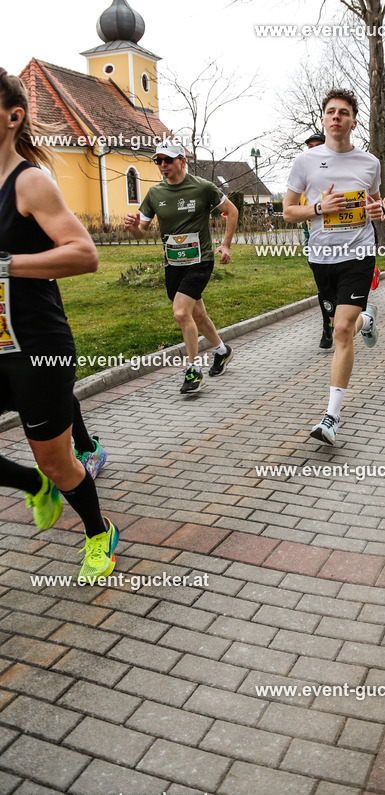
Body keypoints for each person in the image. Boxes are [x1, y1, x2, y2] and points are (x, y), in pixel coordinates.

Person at [0, 67, 117, 581]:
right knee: (43, 471)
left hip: (34, 348)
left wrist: (8, 266)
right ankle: (33, 487)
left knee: (58, 461)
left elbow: (84, 254)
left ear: (12, 116)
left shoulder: (29, 181)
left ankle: (98, 531)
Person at [283, 88, 382, 445]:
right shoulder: (305, 161)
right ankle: (366, 319)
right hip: (321, 258)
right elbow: (288, 211)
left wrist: (377, 211)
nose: (336, 117)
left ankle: (331, 417)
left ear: (353, 121)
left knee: (340, 331)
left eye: (343, 112)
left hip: (358, 254)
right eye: (330, 112)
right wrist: (319, 210)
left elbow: (372, 202)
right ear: (323, 119)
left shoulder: (370, 163)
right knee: (343, 323)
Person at [124, 140, 238, 394]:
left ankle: (194, 370)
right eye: (158, 161)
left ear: (182, 161)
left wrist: (226, 245)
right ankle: (222, 350)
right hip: (173, 264)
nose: (162, 165)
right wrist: (133, 228)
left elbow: (232, 211)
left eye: (168, 160)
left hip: (200, 261)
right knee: (197, 314)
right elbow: (141, 232)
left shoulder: (203, 187)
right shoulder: (155, 194)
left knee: (180, 313)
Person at [302, 132, 335, 349]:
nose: (313, 150)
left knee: (340, 286)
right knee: (324, 288)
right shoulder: (303, 176)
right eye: (310, 147)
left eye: (318, 145)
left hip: (342, 240)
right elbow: (292, 208)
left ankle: (342, 319)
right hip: (314, 240)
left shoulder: (338, 173)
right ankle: (327, 326)